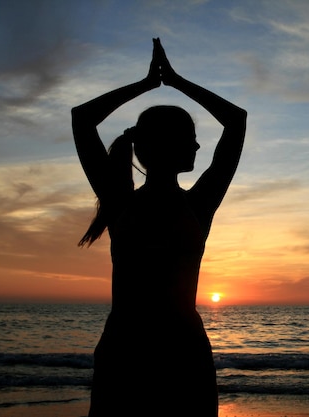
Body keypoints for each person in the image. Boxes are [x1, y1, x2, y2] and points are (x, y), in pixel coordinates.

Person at [72, 38, 246, 416]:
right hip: (167, 353)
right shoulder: (194, 204)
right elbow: (236, 121)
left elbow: (83, 119)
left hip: (136, 350)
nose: (199, 146)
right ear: (166, 145)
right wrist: (169, 81)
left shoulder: (126, 203)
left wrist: (157, 82)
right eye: (190, 137)